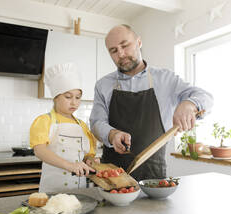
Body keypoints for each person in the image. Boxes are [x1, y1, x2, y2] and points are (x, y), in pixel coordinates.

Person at [89, 25, 214, 181]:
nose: (121, 54)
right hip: (112, 177)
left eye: (125, 45)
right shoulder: (103, 85)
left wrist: (190, 104)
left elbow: (205, 97)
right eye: (114, 50)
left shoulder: (166, 79)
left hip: (153, 177)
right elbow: (96, 122)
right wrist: (112, 134)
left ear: (139, 42)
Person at [30, 63, 97, 193]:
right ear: (55, 97)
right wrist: (70, 166)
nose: (74, 102)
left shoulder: (82, 125)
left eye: (78, 97)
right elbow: (40, 150)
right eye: (68, 97)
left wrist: (90, 161)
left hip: (80, 190)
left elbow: (87, 155)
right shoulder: (44, 121)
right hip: (53, 190)